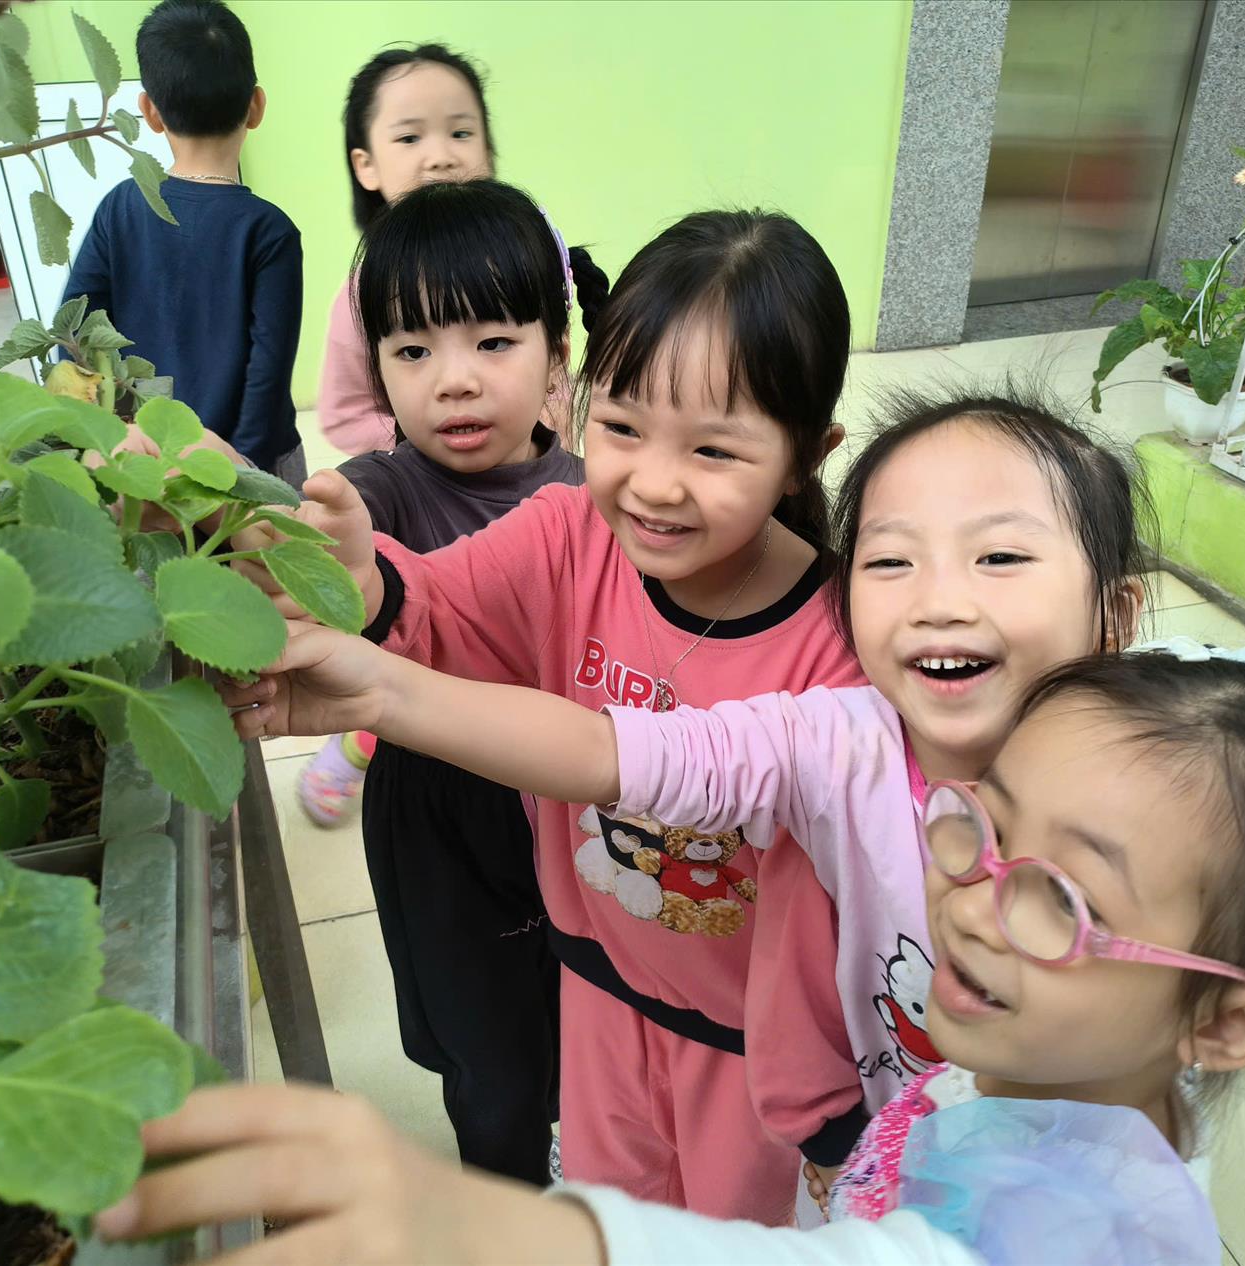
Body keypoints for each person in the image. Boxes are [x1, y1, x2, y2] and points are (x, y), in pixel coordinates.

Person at [97, 654, 1245, 1265]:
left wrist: (492, 1228)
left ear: (1230, 1025)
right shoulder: (1072, 1071)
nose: (976, 901)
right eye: (983, 825)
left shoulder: (1078, 1229)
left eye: (1061, 895)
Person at [240, 385, 1156, 1219]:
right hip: (875, 1160)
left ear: (1117, 613)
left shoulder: (1175, 799)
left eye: (1000, 556)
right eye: (891, 561)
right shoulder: (835, 742)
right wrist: (379, 692)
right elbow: (616, 752)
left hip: (1064, 1180)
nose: (938, 601)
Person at [224, 208, 862, 1224]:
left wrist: (823, 1099)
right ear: (582, 403)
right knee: (609, 1220)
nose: (652, 483)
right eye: (622, 428)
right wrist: (359, 584)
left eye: (712, 449)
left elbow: (845, 900)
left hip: (750, 1047)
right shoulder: (571, 534)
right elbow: (438, 606)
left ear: (805, 455)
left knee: (725, 1241)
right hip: (597, 987)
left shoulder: (838, 642)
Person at [295, 178, 601, 1184]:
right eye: (413, 350)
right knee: (486, 1053)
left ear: (556, 354)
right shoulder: (376, 498)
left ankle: (582, 1152)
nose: (454, 382)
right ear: (377, 370)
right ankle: (500, 1195)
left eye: (493, 341)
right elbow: (340, 570)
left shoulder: (594, 496)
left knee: (588, 1009)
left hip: (574, 804)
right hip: (440, 819)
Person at [61, 0, 305, 482]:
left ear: (150, 111)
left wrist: (106, 439)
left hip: (147, 457)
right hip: (252, 464)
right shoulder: (269, 230)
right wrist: (241, 470)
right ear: (256, 106)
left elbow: (73, 333)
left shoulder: (120, 208)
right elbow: (269, 373)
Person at [318, 44, 496, 457]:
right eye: (410, 138)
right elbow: (345, 415)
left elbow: (553, 381)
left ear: (487, 149)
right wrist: (429, 440)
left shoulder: (522, 262)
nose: (441, 158)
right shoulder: (365, 291)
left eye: (461, 133)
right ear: (366, 165)